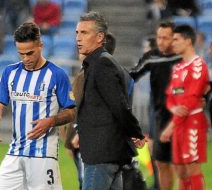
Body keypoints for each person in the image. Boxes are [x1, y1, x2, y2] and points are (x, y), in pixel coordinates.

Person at [0, 22, 76, 190]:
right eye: (21, 54)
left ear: (40, 46)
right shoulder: (10, 73)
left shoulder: (57, 75)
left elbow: (71, 112)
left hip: (43, 155)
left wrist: (51, 121)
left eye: (30, 53)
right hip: (15, 152)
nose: (26, 58)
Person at [75, 11, 146, 190]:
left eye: (84, 33)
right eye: (77, 32)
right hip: (107, 154)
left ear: (100, 37)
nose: (78, 38)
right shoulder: (97, 63)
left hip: (101, 155)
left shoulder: (102, 64)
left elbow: (119, 107)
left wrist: (136, 132)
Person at [130, 22, 182, 190]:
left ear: (174, 38)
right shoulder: (152, 56)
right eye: (159, 37)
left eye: (165, 38)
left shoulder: (183, 58)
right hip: (160, 117)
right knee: (161, 164)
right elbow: (132, 75)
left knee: (181, 167)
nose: (160, 41)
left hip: (181, 117)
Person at [64, 32, 117, 190]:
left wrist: (72, 140)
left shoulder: (90, 75)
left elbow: (81, 110)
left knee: (89, 183)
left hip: (89, 143)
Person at [160, 24, 210, 190]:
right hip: (179, 123)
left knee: (192, 168)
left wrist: (170, 127)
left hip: (192, 122)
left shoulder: (198, 65)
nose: (172, 43)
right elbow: (170, 97)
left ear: (188, 41)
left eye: (176, 39)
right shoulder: (178, 68)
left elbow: (191, 99)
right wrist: (173, 109)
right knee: (181, 172)